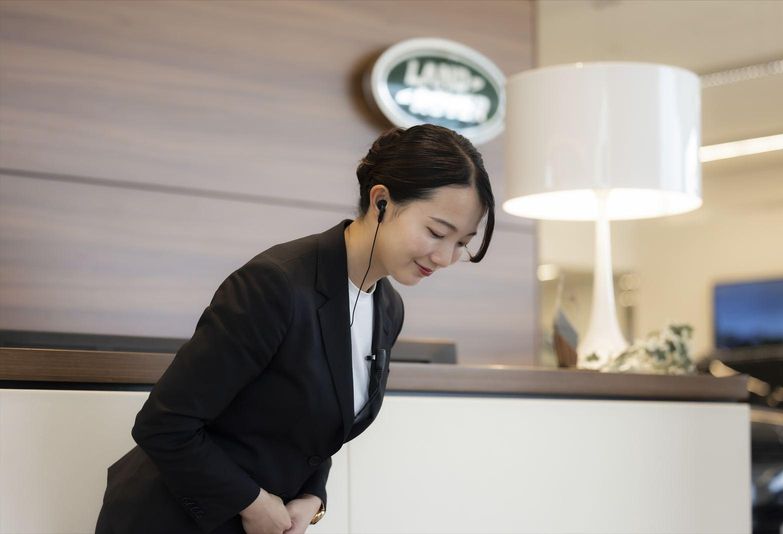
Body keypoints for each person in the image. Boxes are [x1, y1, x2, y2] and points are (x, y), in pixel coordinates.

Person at [95, 123, 495, 534]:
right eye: (436, 233)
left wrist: (313, 496)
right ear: (381, 201)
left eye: (461, 243)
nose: (445, 257)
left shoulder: (388, 308)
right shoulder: (276, 284)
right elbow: (164, 425)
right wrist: (251, 503)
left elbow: (318, 420)